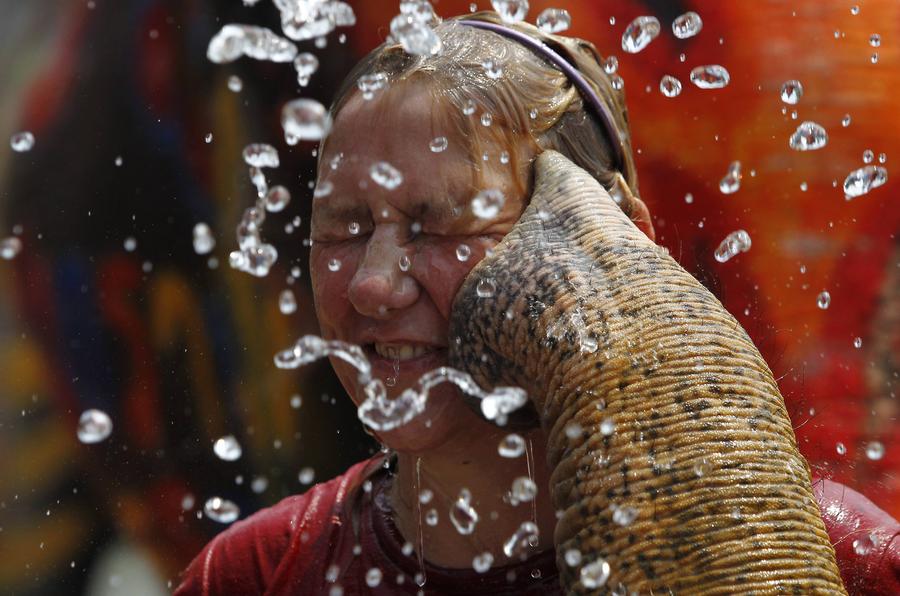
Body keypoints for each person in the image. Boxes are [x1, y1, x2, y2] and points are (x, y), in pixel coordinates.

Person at [175, 12, 899, 595]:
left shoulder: (846, 557)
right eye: (346, 225)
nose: (371, 283)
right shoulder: (255, 575)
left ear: (624, 241)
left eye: (442, 223)